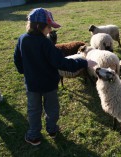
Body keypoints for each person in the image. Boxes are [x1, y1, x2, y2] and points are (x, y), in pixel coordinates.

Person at [14, 8, 96, 146]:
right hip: (49, 84)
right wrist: (84, 61)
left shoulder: (22, 39)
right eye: (49, 26)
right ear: (39, 26)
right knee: (52, 108)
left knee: (33, 110)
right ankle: (52, 130)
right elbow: (61, 63)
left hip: (32, 84)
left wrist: (24, 71)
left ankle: (34, 136)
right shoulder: (46, 43)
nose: (51, 29)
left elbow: (17, 59)